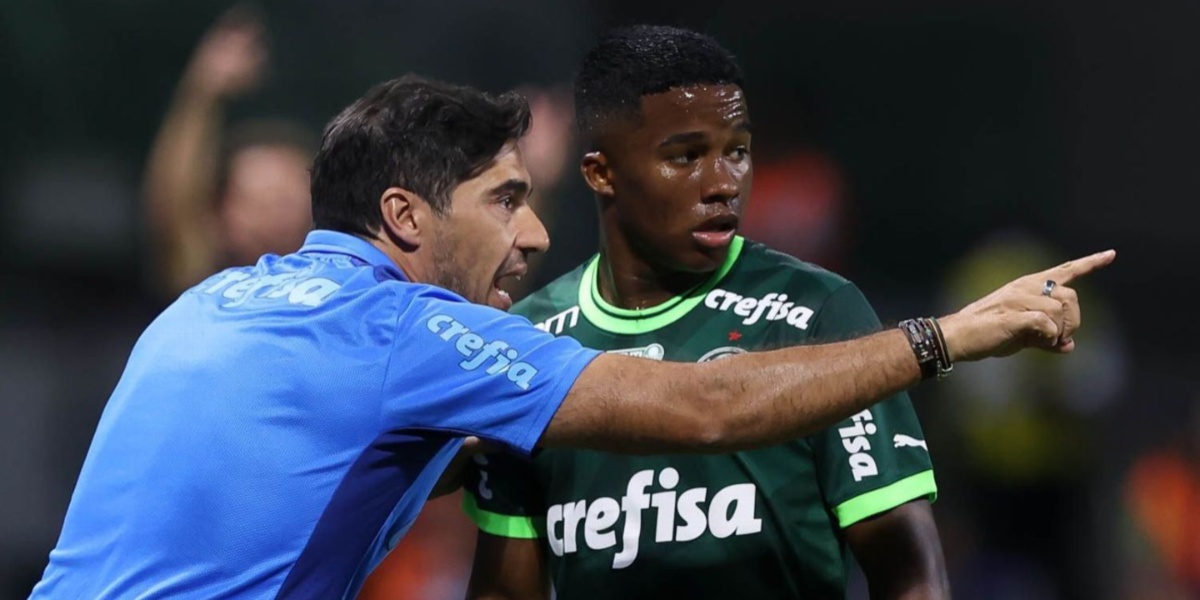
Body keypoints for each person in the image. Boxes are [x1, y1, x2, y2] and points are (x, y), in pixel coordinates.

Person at [31, 73, 1109, 599]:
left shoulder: (218, 302)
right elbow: (708, 409)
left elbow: (366, 464)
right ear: (406, 218)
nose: (538, 233)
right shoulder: (405, 331)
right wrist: (948, 339)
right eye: (506, 200)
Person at [460, 25, 945, 599]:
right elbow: (504, 591)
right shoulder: (528, 342)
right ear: (600, 172)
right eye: (685, 156)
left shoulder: (820, 314)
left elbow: (911, 577)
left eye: (737, 151)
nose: (724, 184)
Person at [143, 5, 315, 298]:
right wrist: (202, 92)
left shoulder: (352, 283)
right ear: (220, 214)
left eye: (286, 199)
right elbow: (175, 213)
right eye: (257, 202)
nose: (276, 215)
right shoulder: (210, 290)